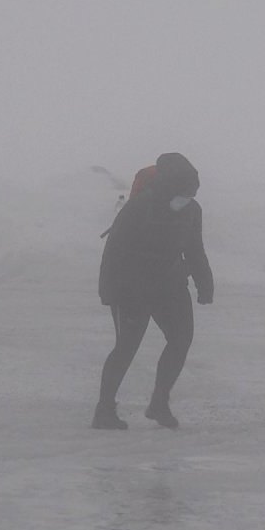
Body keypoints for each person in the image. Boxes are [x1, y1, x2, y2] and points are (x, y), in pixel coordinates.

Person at [93, 153, 213, 429]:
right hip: (132, 287)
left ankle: (159, 403)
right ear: (170, 188)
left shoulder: (192, 211)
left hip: (170, 284)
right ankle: (104, 410)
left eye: (191, 194)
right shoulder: (139, 207)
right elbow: (114, 252)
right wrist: (110, 291)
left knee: (181, 339)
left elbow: (194, 249)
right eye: (183, 194)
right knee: (126, 346)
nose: (186, 199)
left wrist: (204, 283)